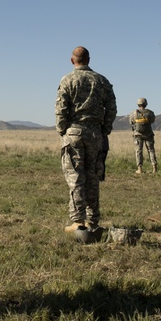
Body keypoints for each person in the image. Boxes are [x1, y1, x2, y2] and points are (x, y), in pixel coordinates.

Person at [56, 46, 117, 236]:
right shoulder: (101, 81)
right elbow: (112, 108)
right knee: (92, 177)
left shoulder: (67, 80)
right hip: (95, 135)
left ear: (72, 60)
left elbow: (61, 109)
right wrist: (104, 129)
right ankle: (93, 221)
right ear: (89, 59)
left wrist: (63, 129)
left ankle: (78, 221)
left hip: (73, 133)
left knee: (76, 177)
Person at [128, 97, 157, 174]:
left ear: (138, 104)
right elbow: (153, 121)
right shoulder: (150, 113)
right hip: (149, 134)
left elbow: (131, 122)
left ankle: (139, 169)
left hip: (138, 135)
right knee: (151, 150)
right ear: (146, 104)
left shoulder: (134, 113)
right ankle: (154, 167)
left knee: (139, 151)